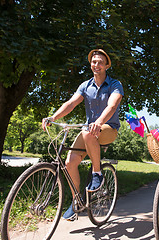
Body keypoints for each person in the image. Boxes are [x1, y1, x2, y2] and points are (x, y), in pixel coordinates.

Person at [42, 49, 124, 221]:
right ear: (91, 64)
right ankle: (76, 201)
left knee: (88, 132)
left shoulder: (115, 84)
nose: (97, 65)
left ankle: (98, 174)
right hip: (89, 130)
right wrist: (53, 117)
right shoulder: (85, 86)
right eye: (94, 62)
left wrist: (100, 122)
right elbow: (71, 103)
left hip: (108, 128)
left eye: (100, 62)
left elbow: (112, 106)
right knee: (69, 162)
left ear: (107, 65)